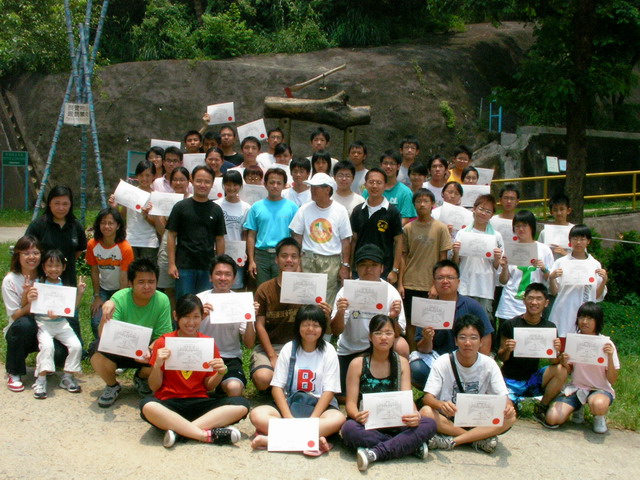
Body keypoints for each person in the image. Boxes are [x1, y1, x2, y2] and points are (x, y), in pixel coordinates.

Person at [140, 294, 249, 448]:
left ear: (202, 317)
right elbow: (154, 387)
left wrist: (220, 373)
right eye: (186, 317)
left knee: (242, 404)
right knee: (148, 405)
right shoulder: (163, 342)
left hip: (199, 403)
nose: (191, 322)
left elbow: (209, 386)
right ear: (176, 316)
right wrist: (157, 365)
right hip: (169, 403)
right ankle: (204, 434)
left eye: (196, 317)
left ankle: (179, 432)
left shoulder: (207, 343)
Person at [340, 315, 436, 471]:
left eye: (388, 333)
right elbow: (350, 404)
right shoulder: (357, 364)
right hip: (369, 424)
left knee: (429, 424)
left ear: (394, 337)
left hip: (398, 422)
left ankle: (375, 452)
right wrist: (357, 415)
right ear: (370, 337)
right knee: (349, 429)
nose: (383, 337)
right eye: (378, 333)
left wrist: (415, 414)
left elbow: (407, 397)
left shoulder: (402, 363)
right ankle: (408, 445)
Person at [249, 304, 346, 455]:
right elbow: (277, 388)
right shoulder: (289, 348)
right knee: (257, 414)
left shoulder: (329, 351)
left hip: (319, 408)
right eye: (306, 324)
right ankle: (311, 440)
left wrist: (313, 419)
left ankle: (272, 440)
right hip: (291, 403)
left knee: (337, 419)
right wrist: (288, 417)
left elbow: (329, 391)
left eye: (316, 325)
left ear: (322, 328)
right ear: (298, 326)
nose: (310, 329)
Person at [420, 314, 516, 453]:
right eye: (462, 337)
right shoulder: (443, 362)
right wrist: (441, 405)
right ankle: (477, 439)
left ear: (481, 341)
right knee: (426, 412)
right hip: (449, 418)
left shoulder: (489, 364)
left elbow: (504, 397)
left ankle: (452, 441)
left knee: (510, 418)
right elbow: (427, 398)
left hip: (478, 419)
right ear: (455, 341)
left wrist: (509, 407)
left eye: (474, 338)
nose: (468, 343)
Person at [91, 258, 173, 408]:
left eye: (151, 281)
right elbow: (104, 336)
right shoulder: (119, 298)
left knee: (164, 352)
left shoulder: (162, 300)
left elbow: (164, 335)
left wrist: (150, 350)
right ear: (130, 283)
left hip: (145, 350)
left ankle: (141, 378)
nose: (147, 286)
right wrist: (104, 316)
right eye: (141, 282)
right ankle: (112, 385)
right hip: (119, 346)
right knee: (96, 352)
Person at [332, 244, 409, 399]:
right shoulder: (346, 291)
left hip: (379, 350)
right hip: (350, 350)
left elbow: (397, 333)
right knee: (342, 395)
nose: (368, 269)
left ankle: (397, 386)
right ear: (356, 268)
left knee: (401, 345)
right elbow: (336, 330)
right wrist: (340, 312)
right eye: (363, 265)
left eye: (373, 265)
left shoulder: (391, 292)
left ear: (382, 268)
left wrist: (393, 316)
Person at [410, 260, 494, 390]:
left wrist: (480, 364)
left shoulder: (472, 306)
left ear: (458, 282)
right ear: (434, 282)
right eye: (440, 278)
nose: (445, 281)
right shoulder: (427, 308)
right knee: (416, 368)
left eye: (450, 277)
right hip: (437, 360)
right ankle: (441, 392)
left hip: (467, 359)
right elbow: (423, 349)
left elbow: (486, 336)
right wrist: (427, 338)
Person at [497, 283, 567, 427]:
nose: (534, 302)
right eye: (530, 298)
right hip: (510, 380)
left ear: (546, 303)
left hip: (532, 379)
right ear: (524, 300)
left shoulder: (549, 327)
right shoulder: (510, 325)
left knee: (561, 370)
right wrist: (508, 349)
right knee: (507, 413)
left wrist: (556, 351)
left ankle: (542, 407)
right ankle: (514, 401)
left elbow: (554, 361)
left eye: (539, 299)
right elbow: (501, 357)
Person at [545, 302, 619, 433]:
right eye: (582, 317)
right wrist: (564, 361)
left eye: (590, 318)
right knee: (552, 418)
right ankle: (577, 406)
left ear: (597, 321)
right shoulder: (573, 341)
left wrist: (609, 357)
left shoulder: (606, 344)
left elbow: (612, 380)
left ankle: (599, 416)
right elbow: (569, 371)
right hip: (576, 388)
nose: (584, 322)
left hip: (600, 389)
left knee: (598, 405)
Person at [25, 185, 87, 342]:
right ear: (49, 204)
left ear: (70, 204)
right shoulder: (39, 225)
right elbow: (28, 250)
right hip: (44, 282)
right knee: (45, 321)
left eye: (65, 204)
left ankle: (74, 350)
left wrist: (63, 266)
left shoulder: (76, 226)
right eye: (57, 203)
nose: (61, 208)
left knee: (70, 320)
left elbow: (78, 250)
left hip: (67, 282)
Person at [3, 237, 64, 392]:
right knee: (24, 325)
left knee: (61, 351)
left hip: (47, 326)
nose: (32, 257)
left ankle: (44, 365)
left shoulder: (48, 276)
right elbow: (15, 316)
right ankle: (14, 372)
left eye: (36, 253)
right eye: (26, 253)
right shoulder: (10, 280)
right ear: (18, 255)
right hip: (21, 329)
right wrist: (31, 304)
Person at [398, 189, 452, 351]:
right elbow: (403, 256)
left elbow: (443, 258)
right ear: (414, 204)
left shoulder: (441, 228)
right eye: (418, 201)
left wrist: (436, 285)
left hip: (430, 285)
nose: (422, 204)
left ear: (432, 204)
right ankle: (413, 354)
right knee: (411, 322)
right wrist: (400, 283)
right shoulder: (408, 228)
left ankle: (429, 352)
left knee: (431, 322)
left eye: (426, 201)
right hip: (410, 283)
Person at [290, 173, 352, 307]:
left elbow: (346, 240)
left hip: (331, 261)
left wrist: (345, 265)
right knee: (305, 296)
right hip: (308, 258)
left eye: (316, 188)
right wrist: (297, 261)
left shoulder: (340, 210)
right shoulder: (304, 209)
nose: (312, 190)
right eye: (311, 187)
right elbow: (297, 236)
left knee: (327, 298)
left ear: (327, 189)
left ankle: (326, 321)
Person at [29, 250, 85, 399]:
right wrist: (29, 294)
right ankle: (40, 380)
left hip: (61, 323)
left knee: (76, 346)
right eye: (49, 265)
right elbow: (33, 305)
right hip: (44, 324)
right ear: (43, 267)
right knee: (47, 347)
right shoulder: (39, 284)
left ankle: (67, 376)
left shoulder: (65, 286)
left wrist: (80, 293)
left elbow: (72, 308)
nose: (53, 269)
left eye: (57, 265)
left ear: (64, 267)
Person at [198, 254, 256, 397]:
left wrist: (250, 317)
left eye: (227, 274)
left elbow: (249, 344)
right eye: (218, 273)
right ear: (210, 277)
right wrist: (199, 317)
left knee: (234, 388)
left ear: (234, 278)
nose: (223, 278)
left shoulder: (241, 301)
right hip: (201, 355)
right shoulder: (198, 300)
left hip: (229, 358)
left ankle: (221, 389)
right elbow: (184, 335)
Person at [167, 165, 226, 298]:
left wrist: (219, 266)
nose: (202, 185)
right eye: (199, 181)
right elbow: (171, 235)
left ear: (212, 184)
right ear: (192, 181)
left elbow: (220, 239)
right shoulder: (180, 207)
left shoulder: (216, 209)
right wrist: (171, 264)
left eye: (207, 182)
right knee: (184, 302)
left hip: (207, 266)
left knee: (205, 303)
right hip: (184, 266)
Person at [548, 225, 607, 338]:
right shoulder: (561, 262)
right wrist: (551, 278)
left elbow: (596, 296)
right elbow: (555, 292)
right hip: (564, 311)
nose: (578, 242)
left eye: (582, 239)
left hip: (586, 315)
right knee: (562, 343)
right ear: (569, 241)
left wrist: (604, 281)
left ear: (588, 241)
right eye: (575, 238)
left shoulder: (594, 264)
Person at [495, 210, 554, 323]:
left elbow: (550, 279)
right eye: (517, 226)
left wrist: (543, 268)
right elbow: (503, 281)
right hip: (510, 305)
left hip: (534, 305)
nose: (521, 229)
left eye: (524, 225)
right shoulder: (509, 249)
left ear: (532, 226)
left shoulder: (544, 249)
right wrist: (505, 268)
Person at [452, 194, 504, 320]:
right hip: (465, 285)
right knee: (462, 322)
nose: (483, 213)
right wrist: (456, 252)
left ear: (492, 215)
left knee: (483, 323)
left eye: (488, 211)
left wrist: (497, 258)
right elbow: (455, 264)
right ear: (474, 209)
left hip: (485, 287)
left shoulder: (496, 236)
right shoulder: (462, 233)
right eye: (481, 209)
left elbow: (497, 266)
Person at [244, 167, 298, 286]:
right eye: (272, 182)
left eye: (279, 183)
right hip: (261, 255)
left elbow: (296, 236)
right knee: (262, 289)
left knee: (282, 290)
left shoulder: (292, 208)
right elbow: (251, 235)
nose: (275, 186)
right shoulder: (256, 207)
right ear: (265, 184)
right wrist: (251, 260)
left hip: (283, 255)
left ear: (284, 185)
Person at [86, 207, 134, 339]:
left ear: (118, 226)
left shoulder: (125, 248)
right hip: (103, 289)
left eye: (110, 223)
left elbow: (124, 277)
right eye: (103, 223)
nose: (106, 226)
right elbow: (94, 271)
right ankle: (98, 345)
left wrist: (120, 300)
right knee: (96, 321)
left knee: (117, 321)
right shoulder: (92, 244)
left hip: (120, 290)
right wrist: (97, 296)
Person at [350, 168, 403, 282]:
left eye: (379, 183)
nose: (374, 186)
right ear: (365, 185)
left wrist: (394, 270)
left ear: (385, 186)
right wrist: (350, 266)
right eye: (371, 182)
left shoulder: (392, 212)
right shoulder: (358, 210)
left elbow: (399, 241)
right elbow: (354, 240)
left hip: (384, 269)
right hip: (360, 267)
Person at [153, 166, 190, 310]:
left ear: (188, 181)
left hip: (187, 249)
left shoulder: (194, 199)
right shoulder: (166, 200)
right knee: (169, 290)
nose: (178, 183)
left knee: (186, 289)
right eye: (175, 180)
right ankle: (173, 319)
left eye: (182, 179)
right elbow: (162, 231)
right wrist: (157, 214)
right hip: (167, 248)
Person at [110, 160, 159, 263]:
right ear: (137, 176)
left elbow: (157, 225)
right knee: (131, 270)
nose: (144, 179)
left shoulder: (156, 196)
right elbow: (122, 217)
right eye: (141, 175)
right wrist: (115, 207)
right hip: (131, 240)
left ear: (153, 176)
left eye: (148, 175)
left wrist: (146, 216)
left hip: (149, 242)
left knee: (147, 271)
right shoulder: (130, 193)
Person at [215, 170, 250, 290]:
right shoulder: (216, 205)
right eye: (228, 184)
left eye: (235, 185)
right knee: (218, 286)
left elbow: (245, 233)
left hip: (237, 255)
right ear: (223, 185)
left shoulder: (246, 207)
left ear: (240, 186)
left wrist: (243, 252)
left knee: (236, 286)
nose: (231, 188)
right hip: (218, 252)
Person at [363, 151, 416, 224]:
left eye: (392, 163)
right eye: (385, 163)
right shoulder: (369, 190)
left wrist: (387, 229)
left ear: (398, 166)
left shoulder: (406, 192)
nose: (388, 166)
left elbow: (405, 219)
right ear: (381, 165)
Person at [538, 192, 575, 260]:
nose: (559, 213)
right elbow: (539, 254)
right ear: (551, 212)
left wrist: (565, 253)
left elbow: (582, 256)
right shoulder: (544, 233)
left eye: (562, 209)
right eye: (555, 210)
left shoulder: (575, 231)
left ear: (568, 211)